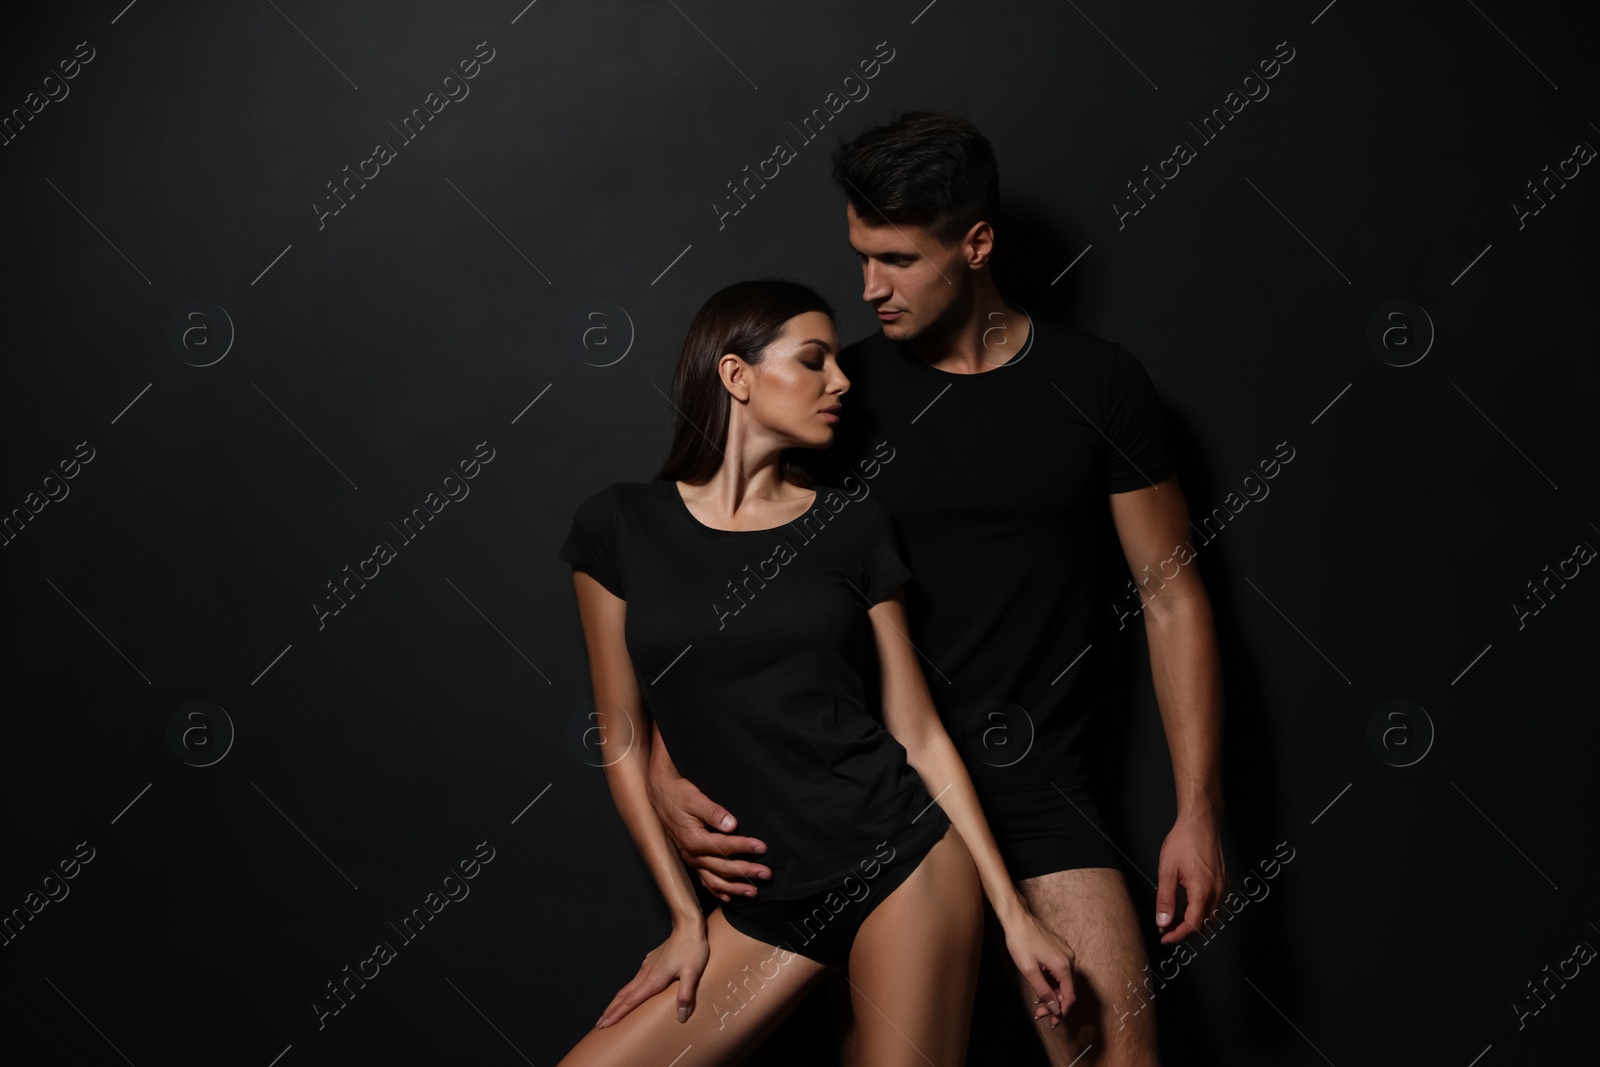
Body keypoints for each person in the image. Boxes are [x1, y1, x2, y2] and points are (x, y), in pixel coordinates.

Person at [643, 112, 1228, 1066]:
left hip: (1040, 788)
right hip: (869, 798)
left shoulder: (1099, 383)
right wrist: (665, 768)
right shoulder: (840, 396)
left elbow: (1172, 599)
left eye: (898, 260)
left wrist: (1197, 811)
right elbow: (716, 579)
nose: (869, 287)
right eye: (860, 256)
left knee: (1122, 1057)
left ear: (977, 244)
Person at [553, 278, 1081, 1066]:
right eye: (813, 361)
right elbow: (622, 732)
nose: (841, 381)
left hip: (903, 862)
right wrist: (684, 917)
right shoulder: (617, 526)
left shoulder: (852, 526)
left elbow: (918, 731)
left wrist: (1014, 913)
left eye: (837, 362)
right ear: (736, 376)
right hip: (768, 904)